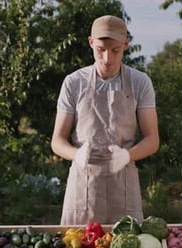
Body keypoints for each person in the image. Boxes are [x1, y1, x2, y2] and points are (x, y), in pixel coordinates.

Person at [51, 15, 159, 225]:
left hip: (123, 182)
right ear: (91, 42)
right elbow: (57, 140)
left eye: (115, 50)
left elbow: (152, 139)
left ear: (126, 44)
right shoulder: (74, 83)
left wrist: (127, 155)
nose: (107, 58)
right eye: (100, 49)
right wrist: (76, 154)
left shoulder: (140, 83)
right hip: (83, 184)